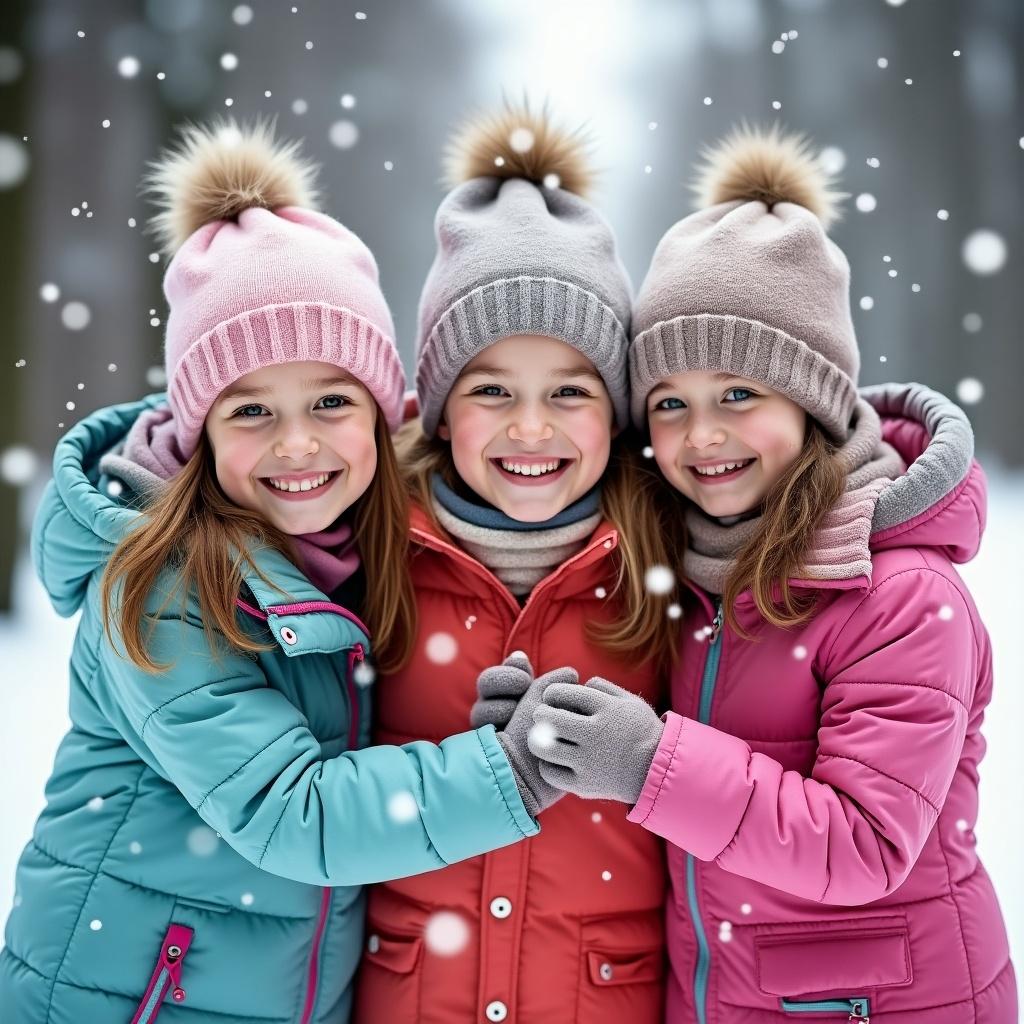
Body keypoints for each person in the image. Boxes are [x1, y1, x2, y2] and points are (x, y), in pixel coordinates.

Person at [0, 120, 540, 1024]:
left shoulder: (343, 560)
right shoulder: (159, 585)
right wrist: (503, 772)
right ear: (199, 429)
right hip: (128, 999)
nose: (298, 445)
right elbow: (293, 811)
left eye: (332, 401)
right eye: (251, 410)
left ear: (379, 415)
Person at [525, 126, 1017, 1021]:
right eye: (669, 404)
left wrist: (647, 762)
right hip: (724, 995)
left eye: (738, 395)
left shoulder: (900, 594)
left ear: (813, 399)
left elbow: (864, 844)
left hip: (882, 1001)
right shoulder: (692, 567)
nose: (701, 436)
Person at [353, 103, 676, 1024]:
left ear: (613, 416)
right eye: (490, 389)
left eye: (568, 392)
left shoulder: (670, 562)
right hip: (411, 995)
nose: (529, 428)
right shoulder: (371, 555)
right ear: (437, 412)